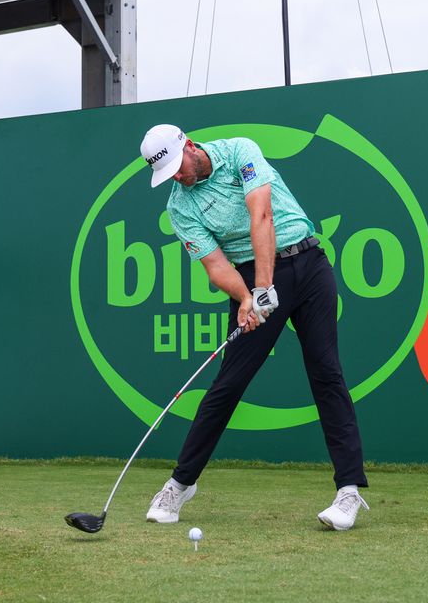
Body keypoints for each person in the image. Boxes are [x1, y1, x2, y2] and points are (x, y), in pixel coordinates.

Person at [137, 124, 369, 531]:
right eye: (168, 173)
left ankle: (348, 491)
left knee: (326, 373)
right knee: (229, 384)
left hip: (308, 265)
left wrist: (264, 288)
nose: (178, 176)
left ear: (190, 146)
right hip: (249, 277)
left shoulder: (240, 150)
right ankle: (179, 485)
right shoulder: (180, 207)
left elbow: (261, 214)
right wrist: (247, 297)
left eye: (178, 166)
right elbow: (214, 265)